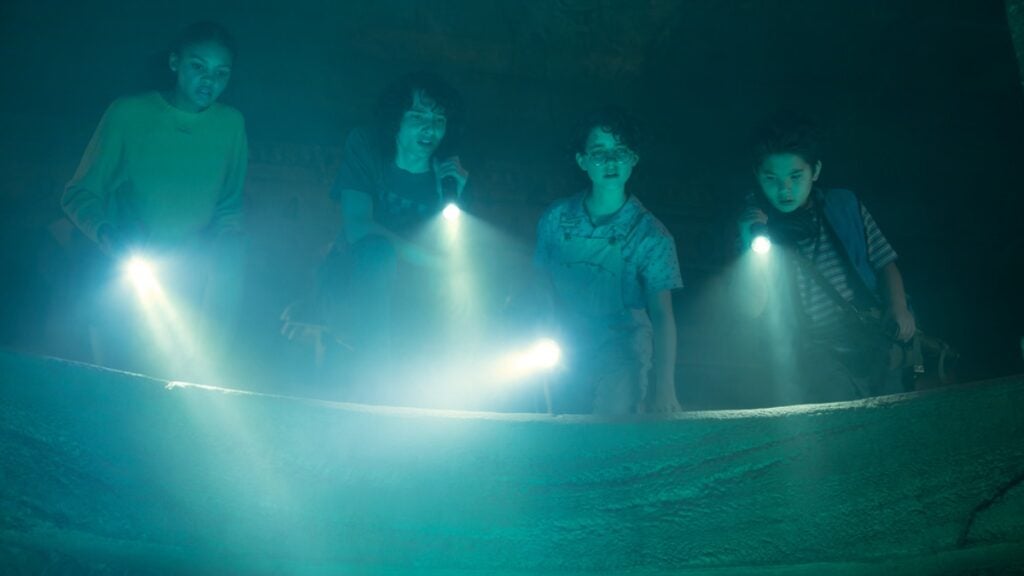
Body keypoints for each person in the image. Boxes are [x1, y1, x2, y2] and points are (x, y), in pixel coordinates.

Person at [61, 21, 248, 378]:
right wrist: (108, 235)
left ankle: (206, 373)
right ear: (175, 62)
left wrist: (226, 243)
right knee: (117, 379)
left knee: (177, 384)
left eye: (221, 73)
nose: (209, 80)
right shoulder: (128, 114)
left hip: (188, 275)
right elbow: (78, 194)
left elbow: (229, 207)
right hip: (124, 265)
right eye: (198, 66)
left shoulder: (231, 125)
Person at [736, 115, 916, 404]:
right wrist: (749, 244)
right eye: (772, 179)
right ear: (757, 175)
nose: (784, 189)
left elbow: (885, 262)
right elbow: (752, 307)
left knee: (892, 407)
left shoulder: (844, 206)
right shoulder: (756, 228)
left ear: (815, 170)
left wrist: (898, 307)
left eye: (795, 176)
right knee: (838, 410)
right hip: (812, 349)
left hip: (871, 332)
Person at [316, 72, 468, 402]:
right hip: (352, 278)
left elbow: (454, 255)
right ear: (396, 118)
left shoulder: (445, 173)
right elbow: (358, 227)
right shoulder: (367, 147)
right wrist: (431, 262)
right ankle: (374, 381)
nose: (429, 129)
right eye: (418, 116)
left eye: (439, 120)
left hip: (412, 291)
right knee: (378, 253)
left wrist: (453, 196)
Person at [532, 107, 683, 415]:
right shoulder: (557, 219)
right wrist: (543, 325)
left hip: (623, 346)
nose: (611, 162)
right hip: (565, 342)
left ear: (633, 158)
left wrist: (665, 386)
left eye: (620, 152)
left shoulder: (651, 235)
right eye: (600, 153)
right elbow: (540, 281)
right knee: (559, 424)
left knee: (613, 427)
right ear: (582, 161)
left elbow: (662, 314)